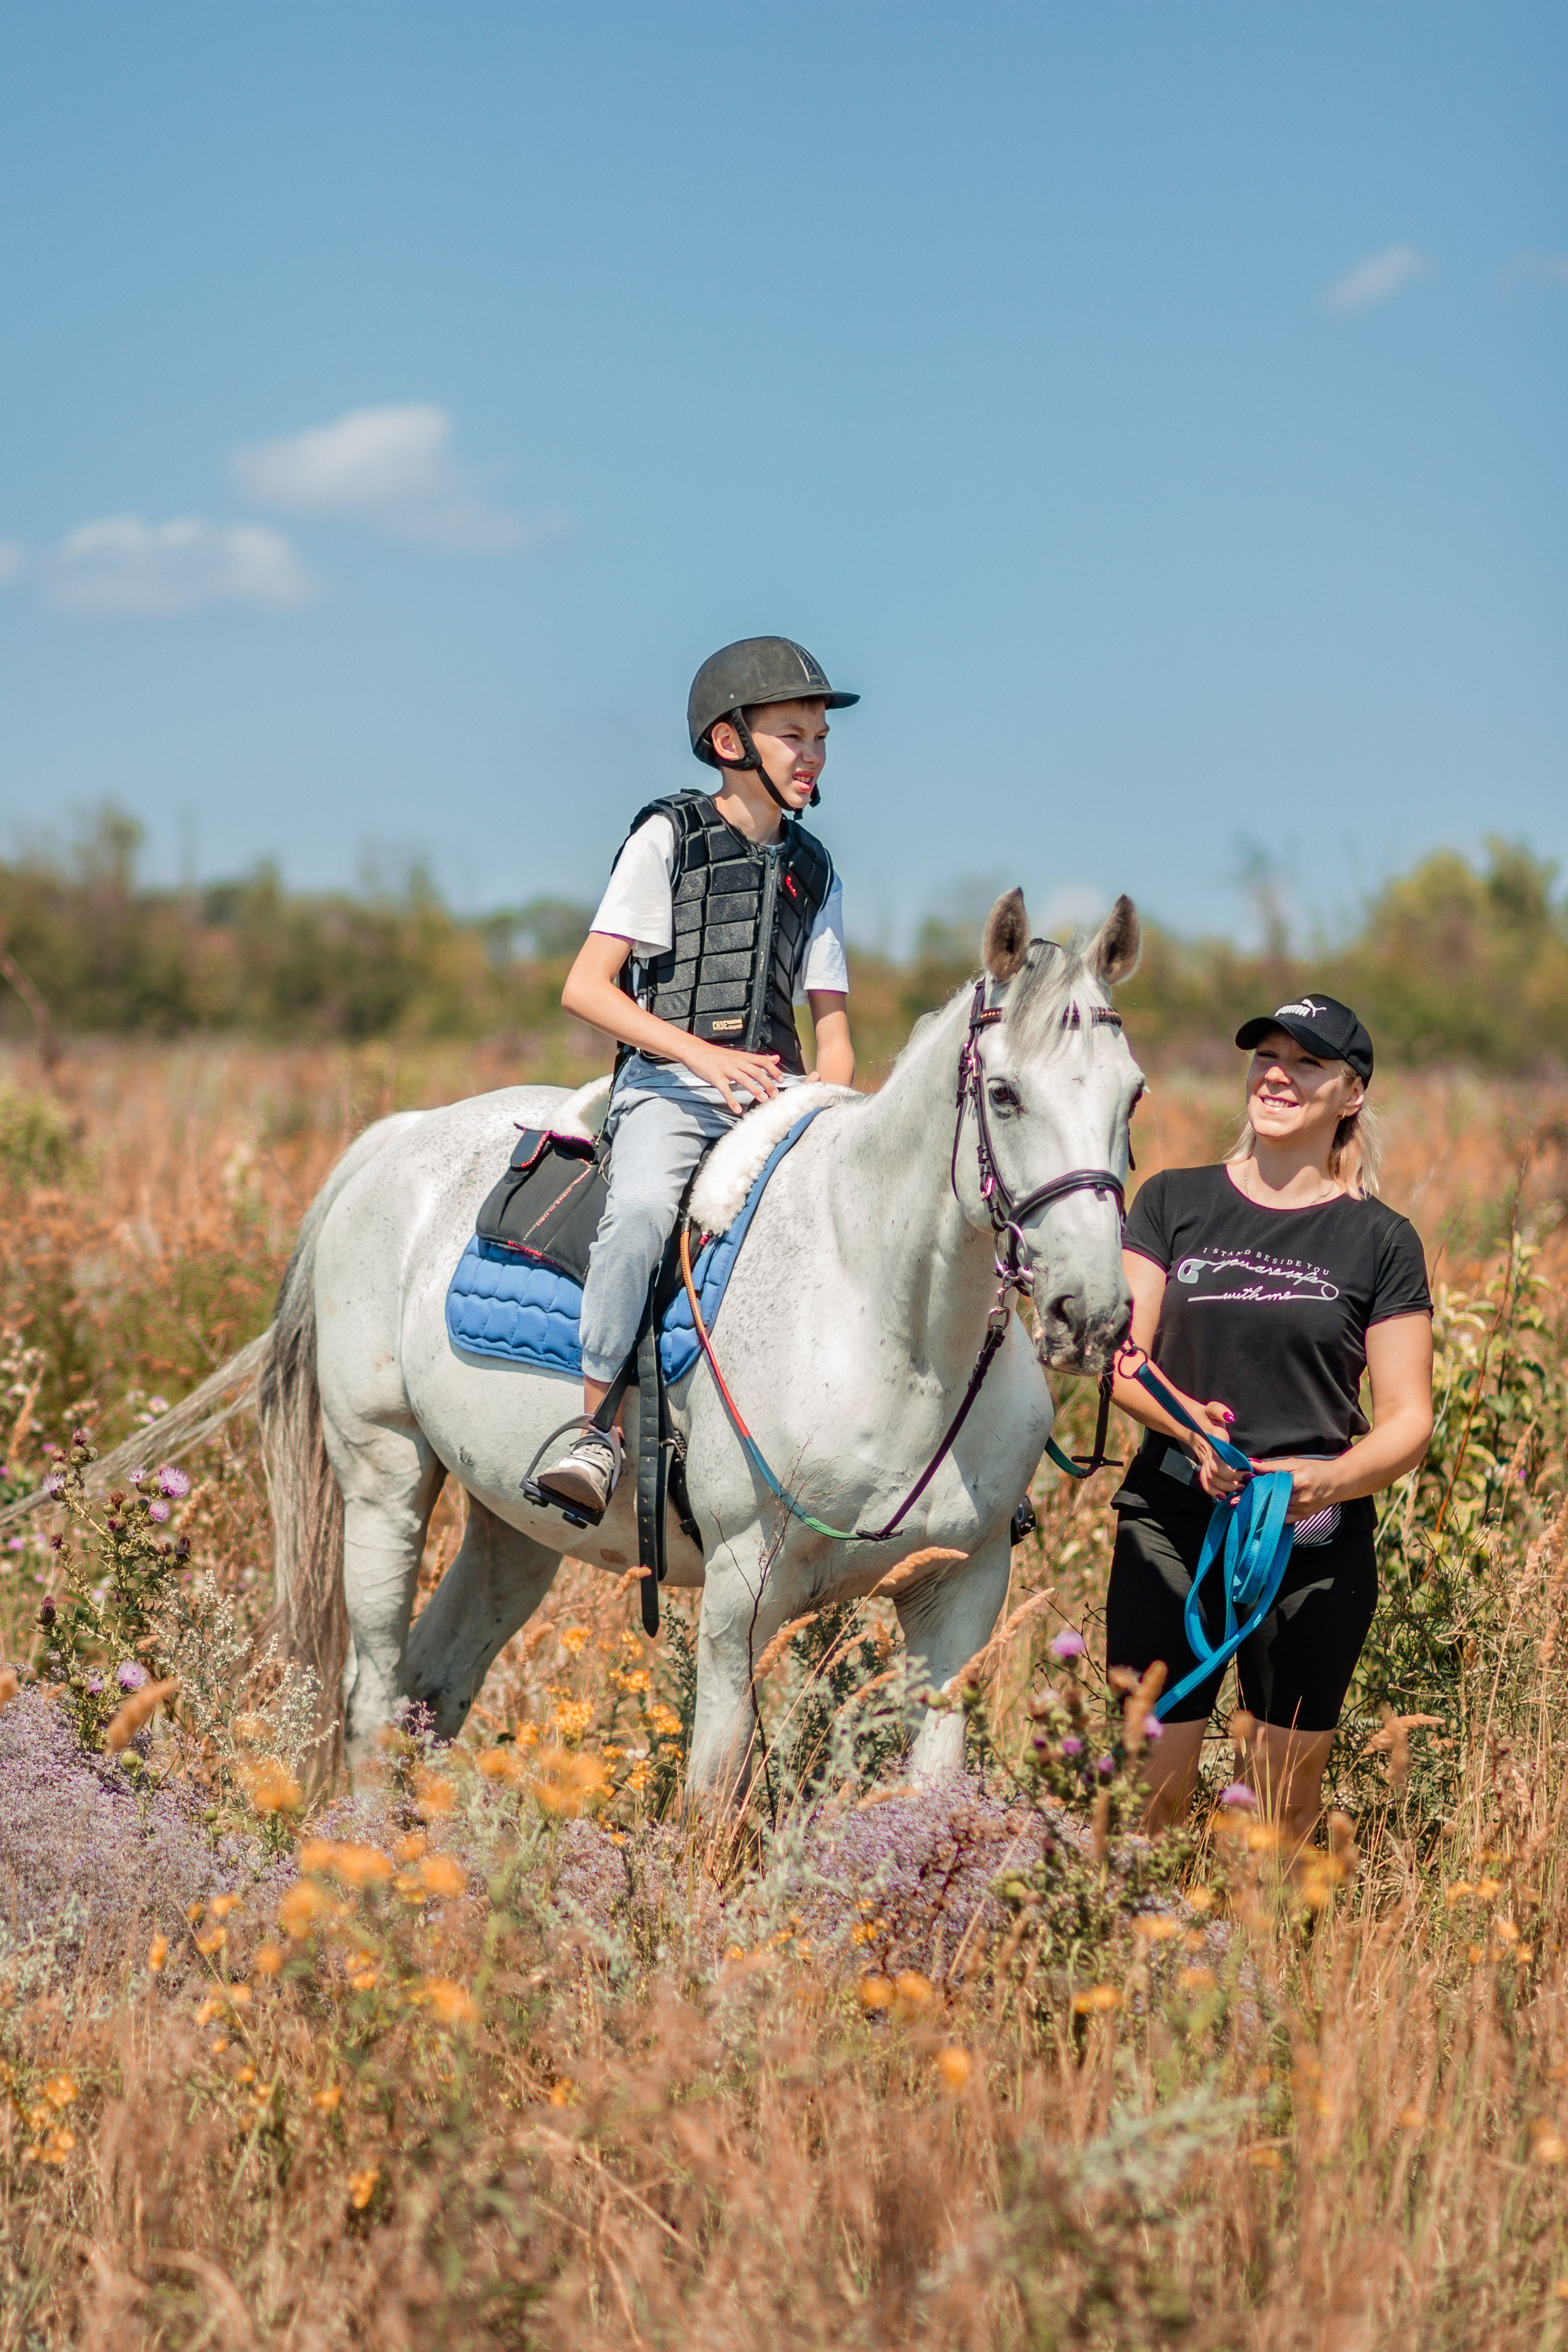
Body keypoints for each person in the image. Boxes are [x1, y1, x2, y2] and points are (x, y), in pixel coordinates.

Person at [535, 636, 859, 1514]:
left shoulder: (818, 868)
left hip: (777, 1103)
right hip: (669, 1092)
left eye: (821, 739)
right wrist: (700, 1054)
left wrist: (825, 1102)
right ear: (728, 742)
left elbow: (834, 1035)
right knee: (642, 1210)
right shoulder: (666, 837)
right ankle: (593, 1431)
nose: (813, 755)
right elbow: (585, 988)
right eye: (793, 736)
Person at [1104, 993, 1434, 1851]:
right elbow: (1120, 1358)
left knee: (1277, 1821)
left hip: (1311, 1541)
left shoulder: (1381, 1240)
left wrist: (1329, 1480)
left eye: (1307, 1062)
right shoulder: (1172, 1201)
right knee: (1145, 1803)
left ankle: (1257, 1942)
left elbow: (1409, 1420)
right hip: (1172, 1522)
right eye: (1267, 1057)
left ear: (1352, 1093)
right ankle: (1140, 1938)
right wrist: (1191, 1429)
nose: (1278, 1076)